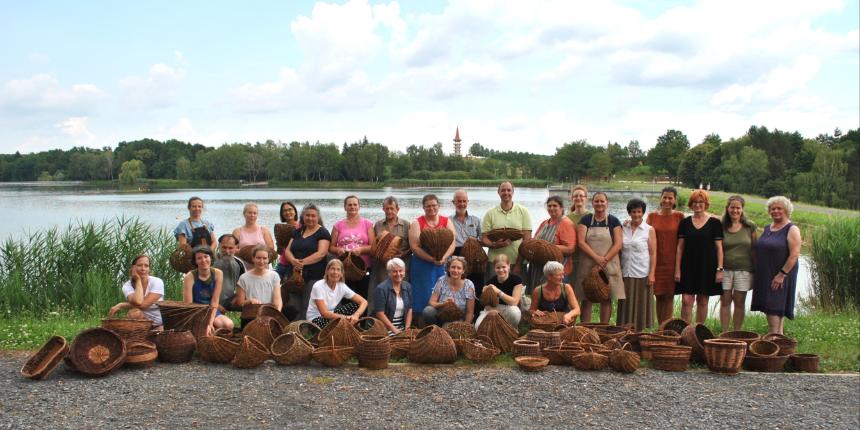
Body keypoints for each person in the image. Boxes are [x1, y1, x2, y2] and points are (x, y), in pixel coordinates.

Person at [752, 196, 801, 335]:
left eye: (779, 208)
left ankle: (771, 345)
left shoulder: (792, 229)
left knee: (774, 310)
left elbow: (794, 255)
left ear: (786, 210)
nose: (775, 211)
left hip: (780, 276)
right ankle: (779, 343)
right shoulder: (768, 228)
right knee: (772, 310)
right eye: (772, 209)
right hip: (766, 274)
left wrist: (782, 275)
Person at [674, 189, 724, 324]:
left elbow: (719, 248)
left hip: (707, 267)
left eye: (701, 202)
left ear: (706, 203)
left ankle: (698, 331)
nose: (697, 205)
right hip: (688, 267)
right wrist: (677, 270)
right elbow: (680, 247)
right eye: (695, 202)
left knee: (702, 301)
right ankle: (685, 332)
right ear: (691, 204)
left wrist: (720, 269)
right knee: (686, 300)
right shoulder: (685, 222)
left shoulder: (715, 223)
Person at [575, 192, 624, 324]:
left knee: (606, 298)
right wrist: (596, 258)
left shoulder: (614, 221)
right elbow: (581, 242)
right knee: (586, 298)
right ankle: (585, 328)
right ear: (592, 203)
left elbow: (618, 244)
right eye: (596, 201)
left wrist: (604, 259)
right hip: (588, 263)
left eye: (602, 201)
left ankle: (604, 328)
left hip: (608, 264)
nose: (599, 204)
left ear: (607, 203)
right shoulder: (585, 220)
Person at [408, 194, 458, 320]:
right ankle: (421, 321)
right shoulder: (417, 222)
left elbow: (453, 243)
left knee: (441, 292)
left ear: (438, 206)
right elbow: (414, 247)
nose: (431, 208)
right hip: (422, 264)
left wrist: (443, 258)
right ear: (423, 207)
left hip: (442, 264)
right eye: (428, 206)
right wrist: (431, 259)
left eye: (434, 205)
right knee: (422, 293)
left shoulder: (446, 221)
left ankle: (442, 319)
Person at [283, 204, 331, 320]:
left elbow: (321, 253)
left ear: (318, 217)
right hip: (294, 274)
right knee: (293, 304)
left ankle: (306, 330)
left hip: (314, 275)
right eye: (307, 215)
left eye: (313, 216)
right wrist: (294, 261)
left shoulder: (323, 232)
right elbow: (288, 250)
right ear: (303, 217)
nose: (310, 218)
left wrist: (302, 263)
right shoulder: (297, 231)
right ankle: (294, 328)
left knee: (308, 304)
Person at [646, 186, 685, 324]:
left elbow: (684, 240)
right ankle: (660, 327)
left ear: (675, 200)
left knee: (669, 296)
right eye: (665, 197)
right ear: (660, 198)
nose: (667, 200)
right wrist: (628, 223)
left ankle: (666, 327)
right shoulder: (652, 216)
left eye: (670, 198)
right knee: (658, 295)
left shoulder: (679, 216)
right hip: (656, 262)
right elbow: (643, 233)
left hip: (672, 263)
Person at [617, 199, 657, 332]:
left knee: (640, 306)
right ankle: (624, 332)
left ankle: (638, 333)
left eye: (639, 211)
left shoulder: (649, 230)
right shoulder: (623, 228)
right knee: (626, 305)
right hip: (626, 273)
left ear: (643, 213)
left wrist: (652, 273)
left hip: (642, 273)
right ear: (629, 213)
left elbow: (653, 253)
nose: (636, 214)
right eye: (633, 211)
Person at [720, 196, 757, 331]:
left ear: (742, 210)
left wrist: (756, 270)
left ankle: (736, 333)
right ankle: (724, 333)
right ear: (727, 208)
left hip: (744, 270)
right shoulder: (721, 226)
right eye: (732, 207)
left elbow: (754, 249)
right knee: (725, 302)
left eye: (738, 208)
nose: (735, 210)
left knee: (739, 303)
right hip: (725, 270)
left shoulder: (750, 226)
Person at [526, 196, 576, 293]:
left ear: (561, 208)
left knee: (554, 299)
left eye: (555, 206)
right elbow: (535, 241)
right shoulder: (545, 222)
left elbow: (570, 248)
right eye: (549, 206)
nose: (551, 208)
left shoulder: (566, 223)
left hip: (557, 270)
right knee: (539, 297)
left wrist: (547, 247)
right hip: (539, 268)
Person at [481, 181, 532, 276]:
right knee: (494, 290)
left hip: (517, 262)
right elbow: (484, 238)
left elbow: (527, 240)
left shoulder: (523, 211)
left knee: (519, 291)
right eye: (503, 190)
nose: (506, 193)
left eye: (509, 190)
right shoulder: (490, 213)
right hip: (495, 263)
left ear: (513, 192)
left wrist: (518, 264)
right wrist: (495, 244)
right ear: (498, 192)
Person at [330, 195, 375, 300]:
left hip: (363, 268)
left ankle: (362, 316)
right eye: (349, 205)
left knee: (363, 297)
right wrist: (338, 250)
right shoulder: (338, 225)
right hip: (344, 268)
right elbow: (331, 247)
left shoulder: (367, 224)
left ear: (359, 206)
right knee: (346, 298)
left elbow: (373, 247)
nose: (352, 207)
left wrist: (361, 250)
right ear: (345, 207)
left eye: (355, 204)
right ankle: (346, 316)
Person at [182, 246, 234, 335]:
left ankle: (213, 330)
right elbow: (188, 305)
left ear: (211, 257)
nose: (203, 260)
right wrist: (203, 322)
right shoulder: (190, 276)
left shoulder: (218, 273)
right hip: (195, 310)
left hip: (211, 309)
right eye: (199, 258)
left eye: (206, 256)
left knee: (228, 325)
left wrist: (209, 322)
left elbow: (215, 301)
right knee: (204, 330)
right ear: (195, 261)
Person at [368, 196, 411, 298]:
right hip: (382, 266)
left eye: (392, 208)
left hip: (401, 266)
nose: (389, 211)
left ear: (398, 209)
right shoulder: (378, 225)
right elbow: (374, 245)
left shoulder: (406, 224)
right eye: (387, 209)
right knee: (381, 292)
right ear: (383, 209)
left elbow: (412, 247)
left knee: (400, 292)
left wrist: (402, 254)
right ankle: (376, 312)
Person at [236, 245, 293, 321]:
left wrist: (276, 314)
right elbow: (240, 302)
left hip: (268, 314)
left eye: (264, 258)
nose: (261, 261)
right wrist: (249, 301)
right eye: (258, 258)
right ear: (253, 258)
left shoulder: (274, 276)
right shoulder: (244, 278)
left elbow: (278, 301)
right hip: (250, 315)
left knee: (292, 310)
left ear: (268, 260)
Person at [306, 259, 368, 329]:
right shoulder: (318, 286)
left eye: (338, 270)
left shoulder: (341, 286)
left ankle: (354, 331)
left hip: (331, 317)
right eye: (332, 269)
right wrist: (346, 318)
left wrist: (356, 315)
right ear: (327, 271)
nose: (335, 272)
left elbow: (364, 302)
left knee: (357, 305)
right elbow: (324, 313)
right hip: (316, 321)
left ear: (341, 274)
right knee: (336, 322)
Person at [108, 255, 164, 328]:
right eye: (139, 265)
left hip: (157, 323)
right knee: (135, 313)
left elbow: (143, 305)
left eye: (146, 266)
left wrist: (122, 305)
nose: (143, 269)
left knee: (136, 312)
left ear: (149, 269)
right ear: (133, 268)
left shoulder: (157, 282)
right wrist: (138, 280)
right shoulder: (127, 286)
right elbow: (138, 301)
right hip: (139, 322)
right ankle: (138, 335)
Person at [450, 189, 484, 303]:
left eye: (464, 201)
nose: (462, 204)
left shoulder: (476, 220)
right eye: (459, 201)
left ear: (468, 202)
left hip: (475, 257)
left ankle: (477, 312)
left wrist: (475, 240)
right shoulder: (448, 221)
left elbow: (483, 239)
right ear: (453, 202)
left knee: (476, 286)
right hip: (456, 255)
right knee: (457, 286)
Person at [422, 256, 476, 326]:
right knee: (428, 311)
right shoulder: (442, 280)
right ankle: (434, 330)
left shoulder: (469, 285)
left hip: (458, 317)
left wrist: (465, 326)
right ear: (448, 269)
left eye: (459, 268)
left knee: (448, 325)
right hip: (441, 314)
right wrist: (444, 304)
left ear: (463, 271)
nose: (455, 270)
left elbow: (470, 312)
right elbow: (431, 302)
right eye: (453, 267)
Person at [475, 254, 524, 329]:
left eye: (504, 267)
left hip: (509, 308)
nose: (501, 270)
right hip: (493, 308)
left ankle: (512, 330)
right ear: (494, 268)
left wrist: (498, 292)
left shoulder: (517, 280)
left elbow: (514, 302)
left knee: (515, 312)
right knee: (478, 326)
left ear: (509, 266)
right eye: (498, 267)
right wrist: (484, 294)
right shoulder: (490, 282)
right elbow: (486, 305)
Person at [529, 261, 581, 325]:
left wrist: (568, 315)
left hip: (563, 323)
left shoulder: (566, 288)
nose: (562, 277)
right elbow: (531, 310)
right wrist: (534, 312)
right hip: (544, 324)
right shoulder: (538, 291)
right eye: (559, 275)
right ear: (549, 277)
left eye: (563, 274)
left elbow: (577, 309)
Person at [372, 258, 413, 335]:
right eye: (394, 271)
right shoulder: (381, 289)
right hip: (385, 329)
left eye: (400, 271)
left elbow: (409, 309)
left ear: (404, 272)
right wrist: (395, 331)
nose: (398, 274)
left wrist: (407, 329)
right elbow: (379, 314)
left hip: (402, 327)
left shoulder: (407, 286)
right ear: (389, 273)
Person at [232, 202, 275, 271]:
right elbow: (233, 249)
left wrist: (258, 254)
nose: (252, 215)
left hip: (263, 266)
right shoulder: (237, 231)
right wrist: (247, 252)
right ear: (244, 214)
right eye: (249, 213)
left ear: (257, 215)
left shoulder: (264, 231)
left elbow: (271, 248)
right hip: (244, 267)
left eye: (255, 213)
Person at [213, 233, 244, 311]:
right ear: (219, 245)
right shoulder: (209, 261)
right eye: (224, 247)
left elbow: (244, 285)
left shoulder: (239, 263)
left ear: (236, 247)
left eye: (230, 248)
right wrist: (215, 304)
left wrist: (237, 297)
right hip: (209, 299)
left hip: (229, 300)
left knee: (252, 302)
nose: (227, 251)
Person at [274, 201, 299, 279]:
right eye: (285, 211)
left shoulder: (302, 227)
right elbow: (280, 251)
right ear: (282, 214)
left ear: (295, 211)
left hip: (295, 265)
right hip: (282, 263)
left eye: (290, 209)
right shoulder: (280, 228)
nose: (288, 212)